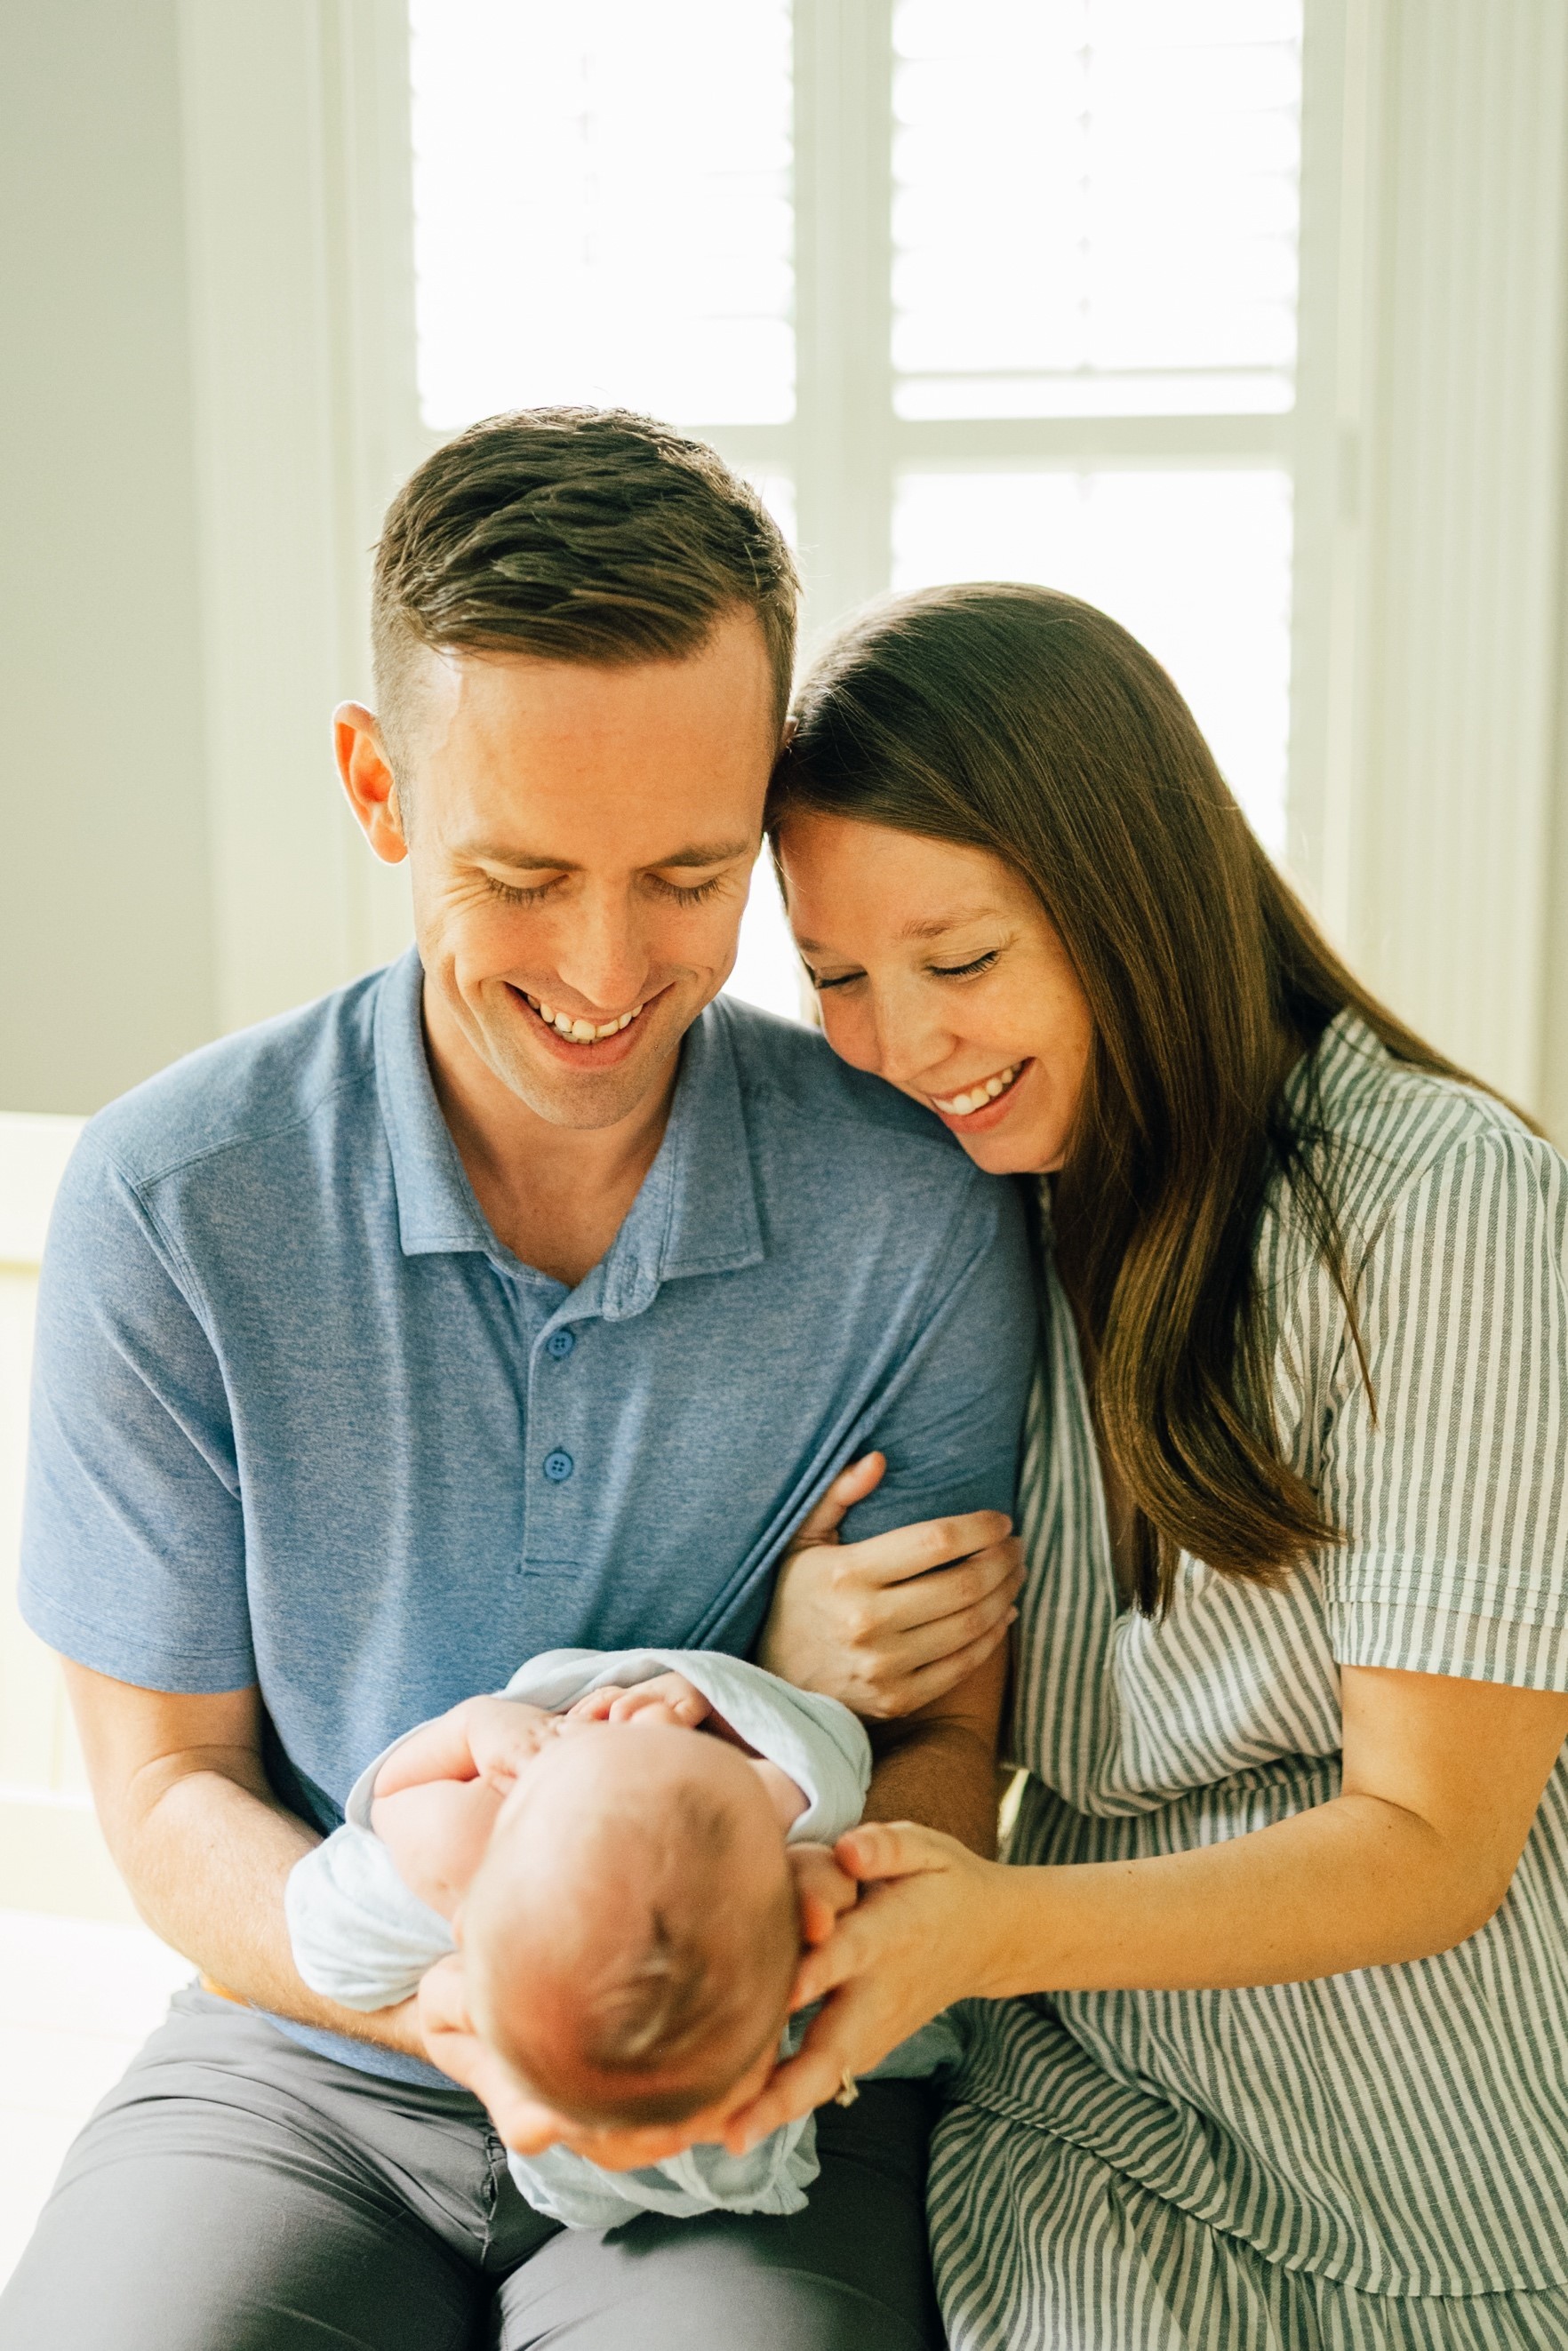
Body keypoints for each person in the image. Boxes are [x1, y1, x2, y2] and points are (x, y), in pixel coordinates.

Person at [0, 417, 1036, 2351]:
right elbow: (168, 1784)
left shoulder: (913, 1207)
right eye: (523, 870)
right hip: (307, 2060)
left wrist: (752, 2016)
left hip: (758, 2080)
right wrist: (433, 1993)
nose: (605, 964)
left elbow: (945, 1764)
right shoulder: (171, 1200)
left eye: (689, 871)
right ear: (377, 787)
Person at [740, 582, 1568, 2349]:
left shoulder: (1438, 1201)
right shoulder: (948, 1219)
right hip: (1099, 2111)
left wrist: (986, 1927)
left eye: (959, 959)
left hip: (1455, 2141)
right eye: (834, 977)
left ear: (1136, 887)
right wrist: (802, 1650)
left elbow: (1432, 1842)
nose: (900, 1045)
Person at [288, 1651, 953, 2229]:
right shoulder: (779, 1848)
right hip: (701, 2164)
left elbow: (332, 1900)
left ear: (469, 1920)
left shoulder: (456, 1855)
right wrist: (724, 1716)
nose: (645, 1716)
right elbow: (831, 1746)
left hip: (499, 2121)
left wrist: (470, 1729)